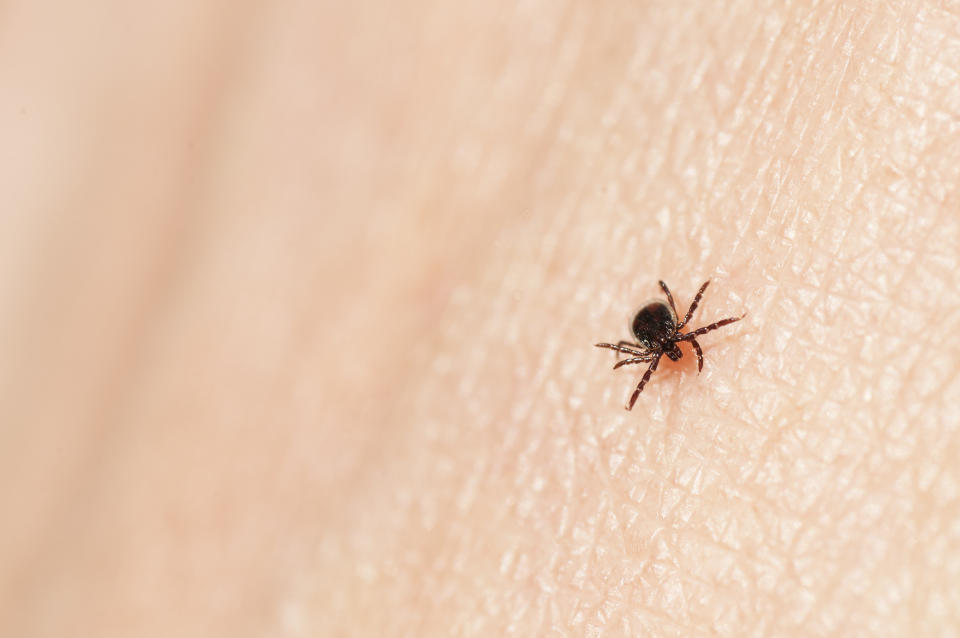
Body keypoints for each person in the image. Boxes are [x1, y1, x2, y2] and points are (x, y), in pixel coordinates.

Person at [1, 1, 957, 635]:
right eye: (672, 345)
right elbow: (648, 325)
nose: (674, 349)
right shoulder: (657, 333)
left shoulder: (655, 334)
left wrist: (670, 336)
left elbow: (648, 324)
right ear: (667, 339)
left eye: (673, 341)